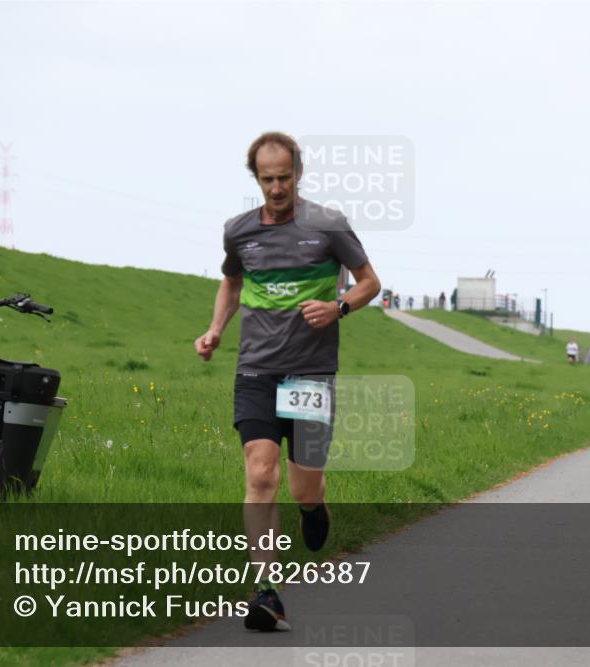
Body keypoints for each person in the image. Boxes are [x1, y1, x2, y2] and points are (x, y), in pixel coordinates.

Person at [194, 132, 381, 632]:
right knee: (260, 474)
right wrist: (215, 330)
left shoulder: (327, 226)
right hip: (255, 369)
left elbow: (370, 282)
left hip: (311, 375)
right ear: (255, 177)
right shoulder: (239, 231)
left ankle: (315, 507)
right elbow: (232, 282)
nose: (276, 188)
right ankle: (265, 592)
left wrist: (338, 306)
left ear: (298, 172)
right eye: (266, 178)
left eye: (284, 177)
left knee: (302, 488)